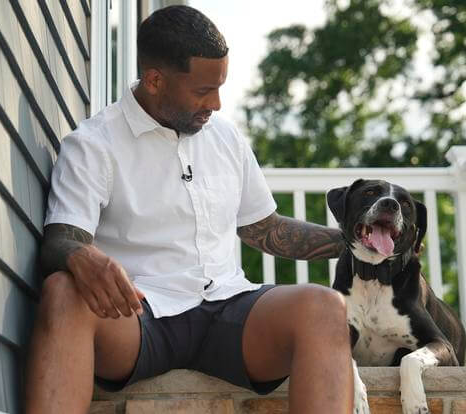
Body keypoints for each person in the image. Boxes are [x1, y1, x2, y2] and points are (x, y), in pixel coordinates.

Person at [24, 5, 353, 413]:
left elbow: (263, 230)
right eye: (202, 91)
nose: (215, 103)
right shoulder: (93, 144)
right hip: (139, 316)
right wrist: (80, 255)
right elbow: (61, 239)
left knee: (324, 308)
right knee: (61, 291)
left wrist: (353, 244)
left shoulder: (226, 138)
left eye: (219, 87)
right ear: (155, 80)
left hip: (230, 310)